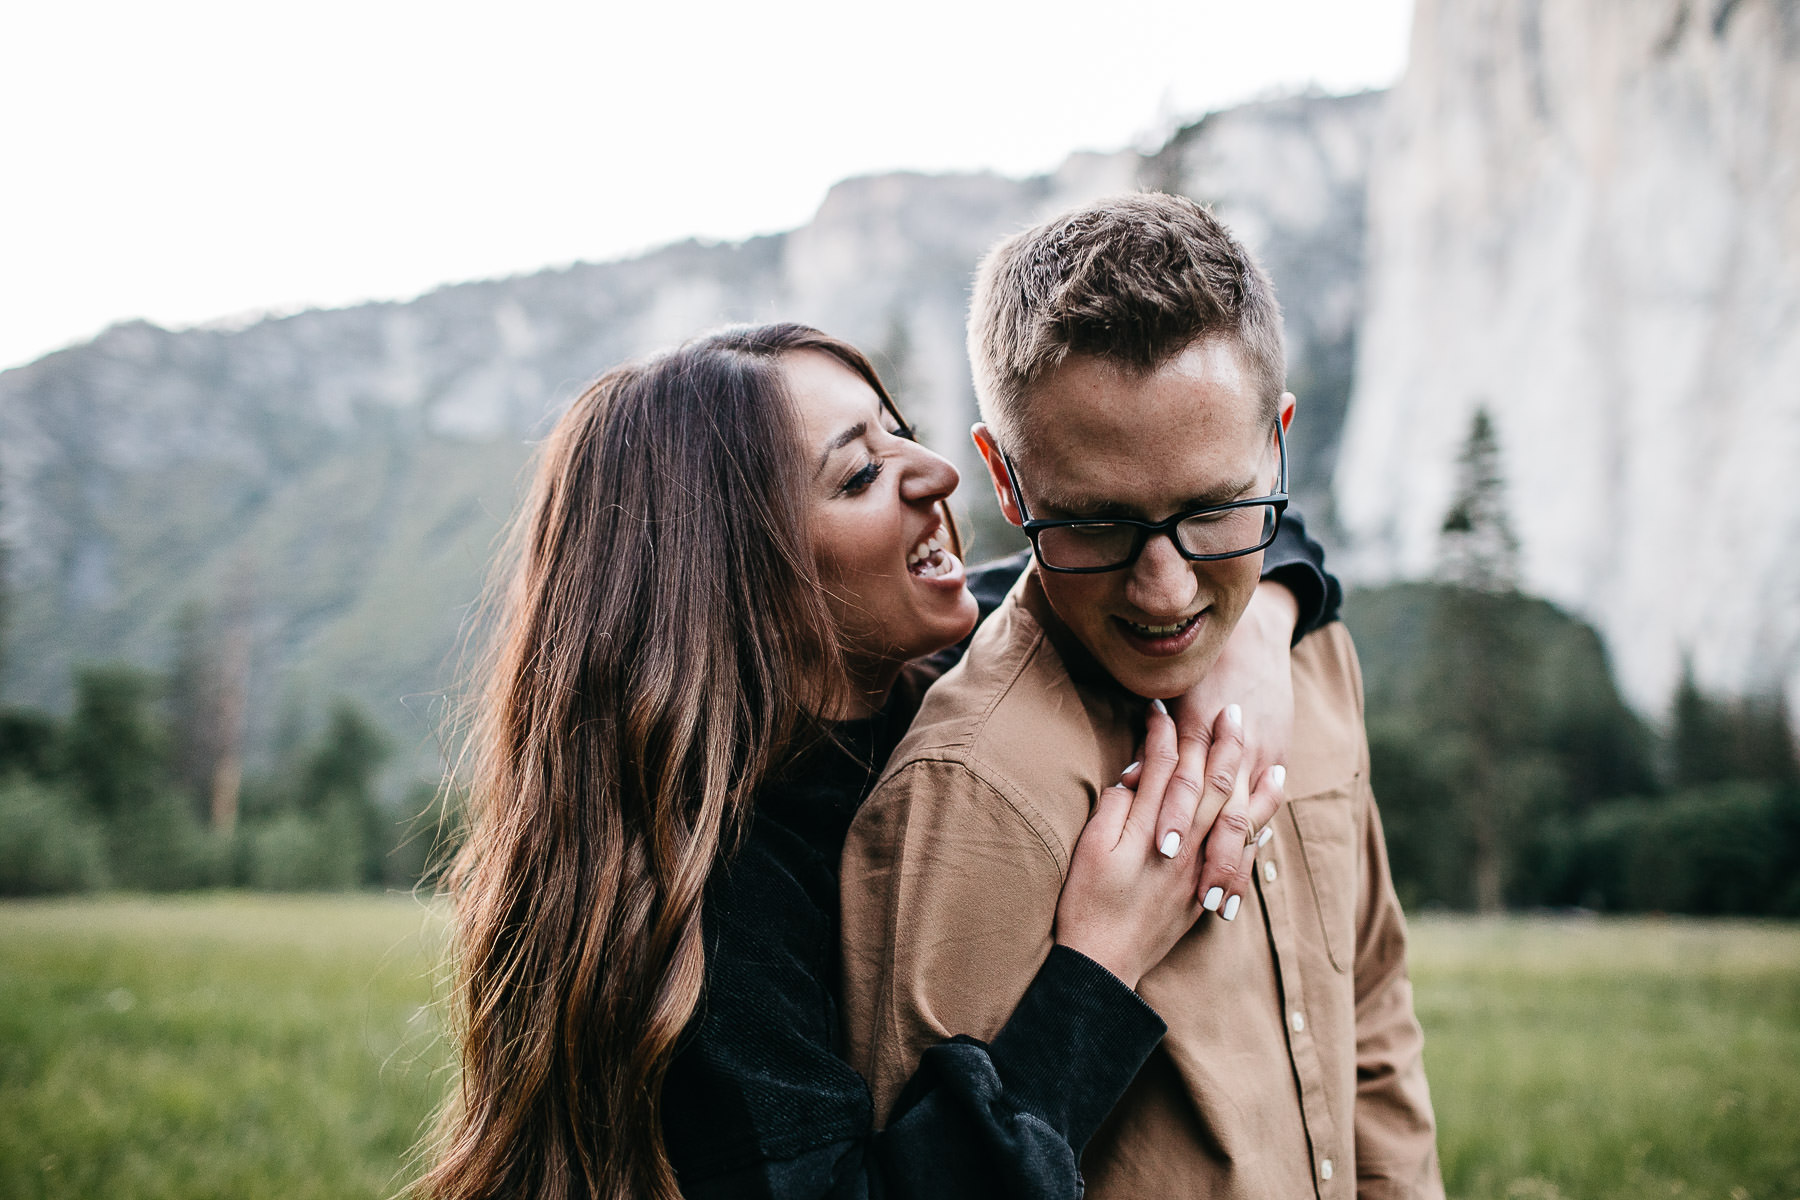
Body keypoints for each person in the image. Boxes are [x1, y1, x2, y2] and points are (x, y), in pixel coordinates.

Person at [420, 321, 1341, 1200]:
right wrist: (1101, 964)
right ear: (738, 570)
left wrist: (1258, 633)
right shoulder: (711, 904)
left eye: (899, 434)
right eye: (861, 472)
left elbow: (1208, 510)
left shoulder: (950, 658)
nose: (936, 472)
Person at [841, 194, 1444, 1198]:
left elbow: (1373, 1012)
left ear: (1278, 447)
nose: (1165, 590)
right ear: (1004, 477)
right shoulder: (968, 796)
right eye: (1093, 522)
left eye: (1213, 510)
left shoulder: (1314, 662)